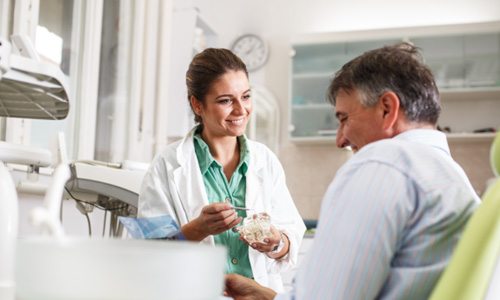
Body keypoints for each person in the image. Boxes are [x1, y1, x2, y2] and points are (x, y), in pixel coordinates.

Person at [224, 42, 480, 299]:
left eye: (344, 118)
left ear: (387, 109)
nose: (340, 140)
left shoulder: (383, 163)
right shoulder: (452, 177)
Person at [138, 48, 306, 291]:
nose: (241, 110)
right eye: (226, 100)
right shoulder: (166, 165)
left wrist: (276, 242)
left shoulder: (265, 161)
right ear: (197, 105)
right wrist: (198, 229)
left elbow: (292, 237)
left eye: (246, 96)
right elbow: (148, 252)